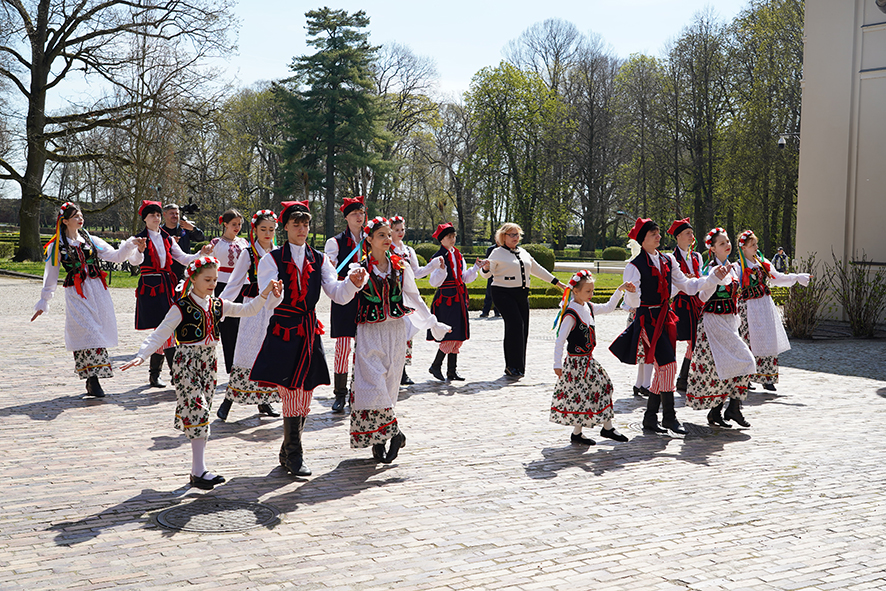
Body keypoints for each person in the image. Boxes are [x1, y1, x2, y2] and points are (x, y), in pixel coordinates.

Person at [120, 257, 282, 490]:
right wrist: (142, 354)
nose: (212, 284)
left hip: (209, 364)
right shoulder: (181, 307)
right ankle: (199, 471)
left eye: (215, 280)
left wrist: (265, 292)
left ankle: (198, 471)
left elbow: (249, 309)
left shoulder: (218, 304)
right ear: (193, 279)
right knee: (199, 410)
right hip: (187, 363)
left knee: (201, 414)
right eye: (207, 279)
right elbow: (161, 332)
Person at [249, 201, 363, 477]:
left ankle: (287, 450)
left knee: (305, 394)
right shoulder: (271, 259)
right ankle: (295, 453)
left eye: (305, 224)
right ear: (285, 227)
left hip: (309, 329)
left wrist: (352, 283)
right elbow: (267, 301)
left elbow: (336, 292)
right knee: (290, 391)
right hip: (283, 330)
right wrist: (274, 293)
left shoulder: (319, 259)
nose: (302, 229)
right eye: (296, 224)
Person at [609, 218, 728, 435]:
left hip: (665, 317)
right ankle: (669, 417)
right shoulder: (634, 266)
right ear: (642, 239)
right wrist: (632, 292)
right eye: (653, 234)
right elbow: (633, 302)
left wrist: (711, 279)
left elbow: (688, 286)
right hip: (647, 320)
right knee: (668, 366)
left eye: (658, 232)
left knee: (664, 369)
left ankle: (650, 417)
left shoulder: (668, 260)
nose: (658, 236)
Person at [349, 217, 450, 463]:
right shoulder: (359, 268)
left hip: (395, 331)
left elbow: (414, 297)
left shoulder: (400, 266)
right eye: (381, 235)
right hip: (369, 331)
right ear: (368, 239)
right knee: (371, 385)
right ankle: (395, 433)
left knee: (390, 385)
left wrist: (432, 322)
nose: (387, 239)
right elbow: (343, 293)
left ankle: (380, 441)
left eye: (388, 234)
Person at [31, 202, 142, 398]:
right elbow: (51, 275)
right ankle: (93, 379)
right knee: (88, 331)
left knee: (97, 329)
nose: (80, 218)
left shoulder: (91, 240)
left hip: (97, 290)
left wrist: (131, 245)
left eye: (81, 215)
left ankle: (91, 379)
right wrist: (44, 300)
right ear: (65, 221)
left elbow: (115, 256)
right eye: (75, 216)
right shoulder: (57, 246)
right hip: (76, 292)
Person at [133, 200, 212, 388]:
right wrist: (140, 250)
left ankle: (159, 375)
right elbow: (134, 261)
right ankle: (176, 374)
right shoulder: (138, 238)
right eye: (152, 215)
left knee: (167, 328)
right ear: (144, 219)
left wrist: (200, 254)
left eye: (158, 215)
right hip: (151, 287)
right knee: (164, 328)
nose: (156, 218)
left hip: (167, 286)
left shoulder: (167, 238)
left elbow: (183, 258)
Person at [550, 270, 634, 445]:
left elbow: (609, 307)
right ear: (576, 291)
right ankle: (601, 429)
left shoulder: (588, 307)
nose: (591, 294)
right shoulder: (571, 313)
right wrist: (557, 364)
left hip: (588, 360)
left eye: (592, 291)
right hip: (576, 363)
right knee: (586, 393)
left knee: (600, 387)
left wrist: (620, 290)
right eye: (588, 291)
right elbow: (560, 340)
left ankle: (588, 431)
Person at [684, 228, 757, 428]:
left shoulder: (734, 268)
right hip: (713, 322)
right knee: (724, 367)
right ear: (713, 248)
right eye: (722, 243)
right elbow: (701, 297)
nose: (727, 245)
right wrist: (715, 280)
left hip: (730, 321)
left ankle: (730, 408)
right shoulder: (709, 269)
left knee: (741, 363)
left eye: (728, 242)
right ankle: (723, 410)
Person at [216, 209, 281, 421]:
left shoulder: (279, 253)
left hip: (272, 308)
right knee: (245, 353)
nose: (267, 233)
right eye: (263, 229)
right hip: (252, 307)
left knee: (267, 354)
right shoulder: (248, 253)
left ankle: (264, 401)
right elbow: (234, 283)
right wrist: (220, 307)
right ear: (255, 230)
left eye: (271, 229)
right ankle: (228, 400)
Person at [479, 223, 567, 378]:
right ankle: (511, 366)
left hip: (521, 294)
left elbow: (537, 269)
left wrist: (558, 283)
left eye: (517, 234)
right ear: (503, 236)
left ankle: (519, 367)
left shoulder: (523, 252)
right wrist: (485, 268)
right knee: (515, 325)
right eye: (512, 235)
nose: (515, 237)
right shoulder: (497, 252)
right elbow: (486, 274)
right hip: (502, 293)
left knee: (523, 328)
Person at [736, 230, 811, 393]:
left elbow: (776, 278)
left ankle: (767, 377)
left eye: (756, 244)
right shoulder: (738, 266)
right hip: (747, 307)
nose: (756, 247)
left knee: (768, 340)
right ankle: (745, 377)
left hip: (764, 305)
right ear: (744, 248)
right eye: (752, 245)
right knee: (747, 340)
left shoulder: (762, 262)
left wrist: (797, 277)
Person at [426, 222, 485, 382]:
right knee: (450, 333)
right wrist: (442, 271)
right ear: (441, 239)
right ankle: (436, 365)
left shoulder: (458, 255)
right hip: (446, 299)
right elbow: (433, 282)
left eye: (454, 236)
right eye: (449, 237)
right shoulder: (438, 257)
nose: (452, 239)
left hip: (459, 297)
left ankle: (451, 371)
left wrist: (476, 268)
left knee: (458, 333)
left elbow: (464, 277)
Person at [324, 195, 366, 413]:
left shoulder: (371, 238)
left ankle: (359, 390)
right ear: (346, 218)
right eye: (354, 213)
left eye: (361, 213)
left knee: (365, 345)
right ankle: (340, 393)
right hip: (344, 294)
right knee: (343, 346)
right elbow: (330, 271)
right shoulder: (335, 242)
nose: (359, 217)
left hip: (367, 296)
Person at [390, 216, 433, 385]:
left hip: (407, 295)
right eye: (396, 230)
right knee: (393, 332)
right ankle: (392, 369)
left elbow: (417, 273)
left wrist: (432, 266)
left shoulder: (408, 250)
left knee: (407, 331)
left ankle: (402, 370)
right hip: (392, 294)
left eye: (402, 229)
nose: (400, 233)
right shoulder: (387, 248)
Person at [667, 218, 705, 394]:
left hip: (696, 303)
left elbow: (701, 277)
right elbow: (669, 285)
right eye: (687, 233)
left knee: (695, 340)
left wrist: (696, 280)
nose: (691, 236)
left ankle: (684, 378)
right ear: (678, 236)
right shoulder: (671, 258)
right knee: (677, 340)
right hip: (681, 304)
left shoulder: (697, 256)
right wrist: (685, 283)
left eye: (692, 233)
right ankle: (673, 377)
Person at [210, 209, 249, 375]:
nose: (237, 227)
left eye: (239, 224)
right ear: (225, 224)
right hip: (223, 285)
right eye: (234, 224)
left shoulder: (244, 243)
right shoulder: (216, 243)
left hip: (243, 285)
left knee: (243, 326)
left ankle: (243, 366)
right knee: (228, 327)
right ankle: (231, 368)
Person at [162, 203, 205, 282]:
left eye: (177, 213)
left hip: (184, 271)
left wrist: (193, 228)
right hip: (165, 272)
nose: (175, 216)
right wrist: (169, 242)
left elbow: (201, 238)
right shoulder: (160, 231)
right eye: (171, 213)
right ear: (164, 214)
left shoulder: (185, 228)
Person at [478, 243, 499, 318]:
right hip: (491, 272)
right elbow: (487, 260)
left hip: (500, 273)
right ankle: (485, 311)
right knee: (489, 293)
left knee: (499, 293)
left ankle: (497, 311)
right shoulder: (490, 249)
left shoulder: (504, 249)